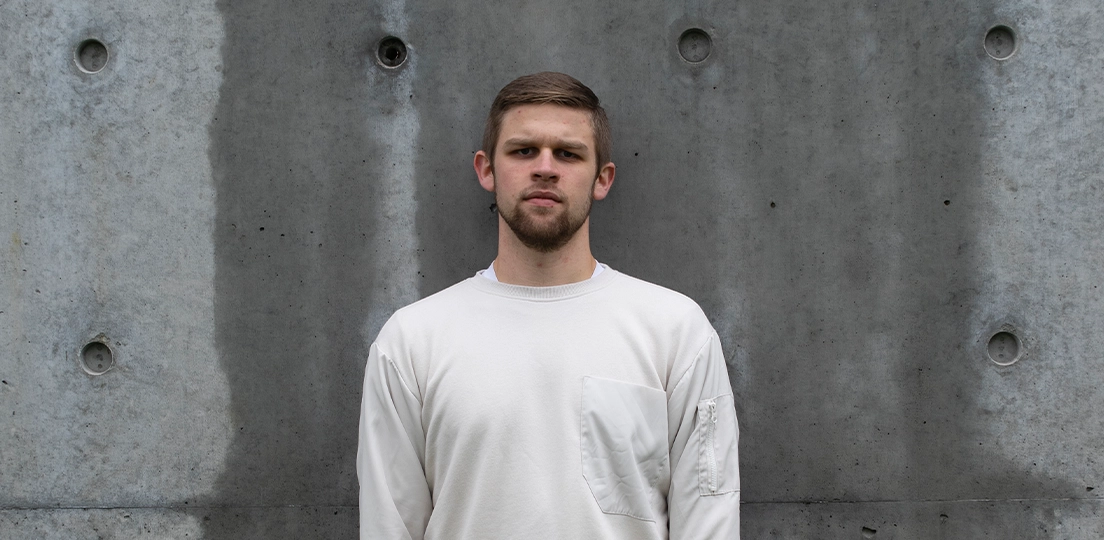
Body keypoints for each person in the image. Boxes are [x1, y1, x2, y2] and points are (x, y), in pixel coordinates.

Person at [357, 72, 740, 539]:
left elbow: (709, 520)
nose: (545, 168)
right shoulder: (412, 341)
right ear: (486, 170)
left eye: (568, 153)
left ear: (602, 178)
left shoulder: (674, 331)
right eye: (523, 151)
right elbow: (388, 525)